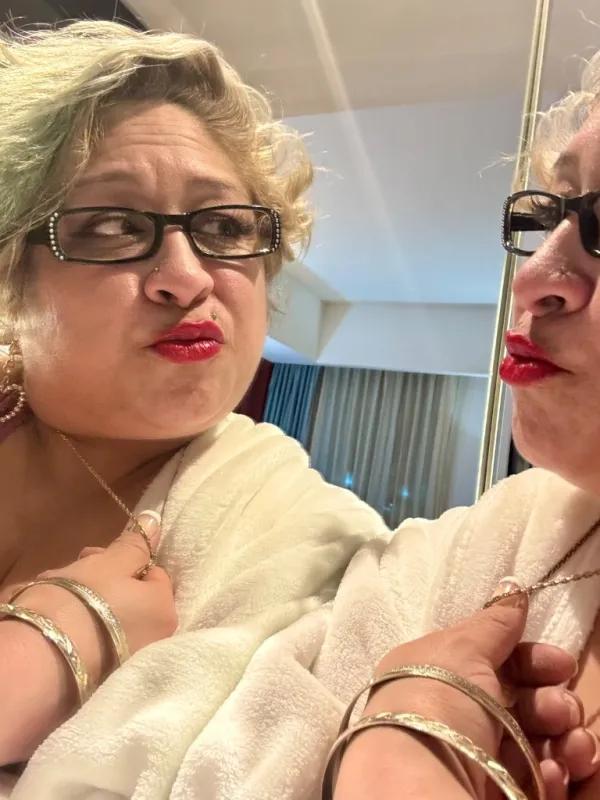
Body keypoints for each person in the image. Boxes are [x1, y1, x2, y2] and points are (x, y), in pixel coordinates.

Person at [0, 18, 595, 800]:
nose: (187, 276)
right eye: (114, 226)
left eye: (223, 227)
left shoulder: (322, 556)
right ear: (11, 272)